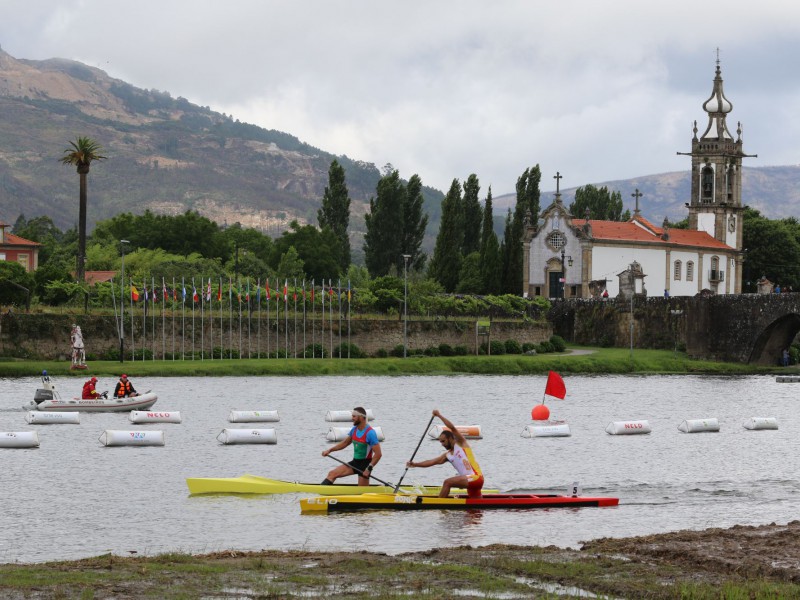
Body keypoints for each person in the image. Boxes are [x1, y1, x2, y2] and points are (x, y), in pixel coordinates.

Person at [406, 409, 484, 498]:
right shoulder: (448, 455)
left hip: (476, 478)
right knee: (475, 508)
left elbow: (452, 428)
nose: (442, 444)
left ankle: (438, 506)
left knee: (447, 482)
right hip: (469, 483)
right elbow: (431, 462)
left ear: (450, 438)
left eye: (443, 441)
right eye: (440, 442)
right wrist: (415, 464)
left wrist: (439, 415)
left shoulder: (461, 444)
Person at [321, 407, 382, 486]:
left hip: (365, 466)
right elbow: (345, 443)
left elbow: (378, 454)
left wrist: (369, 468)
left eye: (354, 416)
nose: (352, 418)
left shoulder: (370, 433)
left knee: (362, 493)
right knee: (332, 474)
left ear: (361, 417)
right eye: (352, 416)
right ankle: (320, 494)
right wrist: (329, 450)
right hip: (355, 463)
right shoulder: (354, 430)